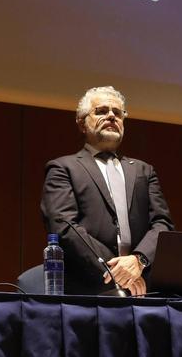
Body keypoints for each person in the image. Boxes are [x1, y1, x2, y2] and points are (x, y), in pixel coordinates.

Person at [41, 86, 173, 296]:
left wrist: (138, 261)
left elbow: (162, 224)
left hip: (142, 286)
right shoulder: (63, 168)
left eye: (118, 113)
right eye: (101, 111)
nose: (112, 116)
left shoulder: (143, 170)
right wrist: (117, 272)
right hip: (89, 289)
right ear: (82, 123)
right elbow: (63, 226)